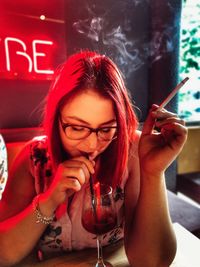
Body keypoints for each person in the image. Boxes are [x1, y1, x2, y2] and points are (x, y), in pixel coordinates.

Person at [0, 51, 187, 267]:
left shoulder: (134, 151)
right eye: (77, 127)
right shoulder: (34, 158)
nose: (91, 145)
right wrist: (49, 201)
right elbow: (3, 255)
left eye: (106, 129)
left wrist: (153, 173)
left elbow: (153, 262)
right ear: (56, 118)